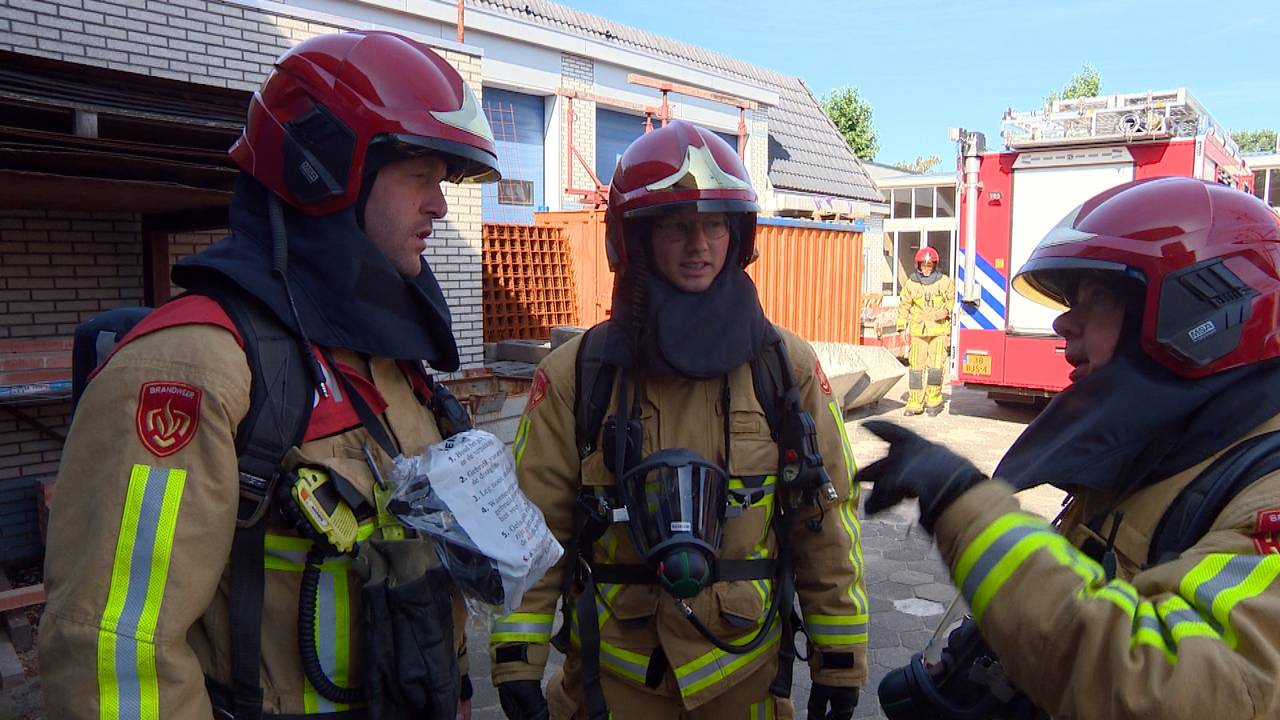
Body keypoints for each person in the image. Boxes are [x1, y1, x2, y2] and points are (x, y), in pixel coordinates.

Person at [39, 30, 500, 719]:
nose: (439, 205)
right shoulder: (193, 368)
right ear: (326, 167)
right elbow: (115, 658)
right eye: (418, 175)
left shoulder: (386, 363)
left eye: (442, 180)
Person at [487, 120, 868, 720]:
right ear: (635, 239)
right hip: (610, 690)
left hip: (744, 686)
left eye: (715, 223)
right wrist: (517, 658)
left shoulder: (784, 367)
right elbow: (533, 529)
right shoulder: (578, 375)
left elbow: (824, 516)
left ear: (737, 234)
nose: (700, 244)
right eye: (676, 225)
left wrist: (839, 654)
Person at [862, 177, 1280, 719]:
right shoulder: (1169, 448)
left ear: (1202, 312)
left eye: (1098, 298)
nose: (1063, 321)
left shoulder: (1261, 493)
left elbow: (1169, 692)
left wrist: (966, 507)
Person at [896, 246, 955, 416]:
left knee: (936, 367)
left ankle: (933, 400)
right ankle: (915, 402)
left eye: (930, 265)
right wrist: (901, 328)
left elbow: (952, 300)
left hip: (938, 331)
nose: (926, 268)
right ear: (918, 265)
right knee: (916, 368)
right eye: (924, 265)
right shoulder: (911, 283)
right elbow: (904, 306)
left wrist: (947, 311)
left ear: (934, 265)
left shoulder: (945, 282)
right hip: (918, 331)